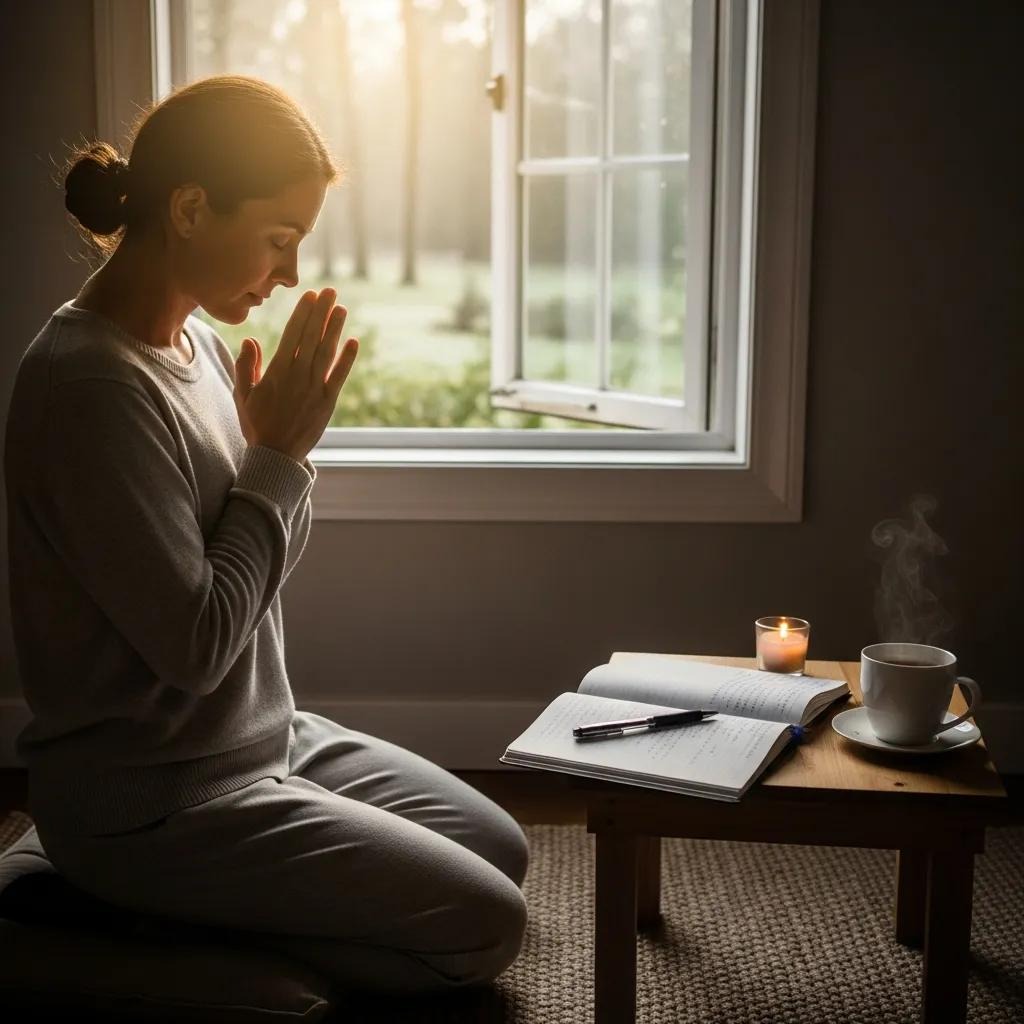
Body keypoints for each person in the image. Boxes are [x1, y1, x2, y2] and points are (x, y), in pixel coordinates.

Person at [3, 74, 528, 995]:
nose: (288, 274)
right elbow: (197, 644)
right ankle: (137, 913)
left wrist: (280, 461)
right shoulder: (88, 388)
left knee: (500, 847)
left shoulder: (197, 345)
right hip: (154, 799)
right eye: (279, 239)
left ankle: (216, 907)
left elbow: (256, 565)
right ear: (193, 208)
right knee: (484, 930)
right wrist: (278, 460)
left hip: (263, 738)